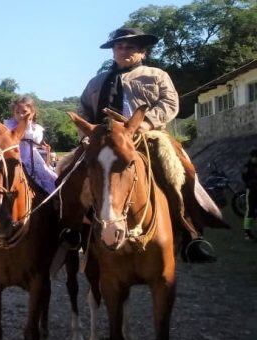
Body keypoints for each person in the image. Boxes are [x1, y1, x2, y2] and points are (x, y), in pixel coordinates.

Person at [59, 27, 224, 263]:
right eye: (119, 47)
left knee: (180, 170)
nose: (124, 51)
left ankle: (190, 233)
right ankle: (72, 229)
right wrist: (86, 134)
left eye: (130, 47)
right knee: (68, 173)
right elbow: (83, 109)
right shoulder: (96, 81)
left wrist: (145, 123)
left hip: (147, 136)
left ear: (142, 52)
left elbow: (169, 102)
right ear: (113, 51)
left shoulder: (156, 75)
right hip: (102, 140)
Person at [4, 96, 57, 194]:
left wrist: (26, 125)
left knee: (47, 177)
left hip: (30, 158)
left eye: (24, 112)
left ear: (32, 113)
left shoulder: (35, 128)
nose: (20, 115)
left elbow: (36, 138)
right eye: (17, 112)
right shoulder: (9, 125)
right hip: (12, 157)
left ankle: (53, 199)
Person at [241, 149, 257, 241]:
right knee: (250, 210)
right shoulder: (247, 166)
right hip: (251, 191)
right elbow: (244, 178)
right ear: (252, 157)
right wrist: (252, 182)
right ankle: (247, 231)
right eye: (256, 157)